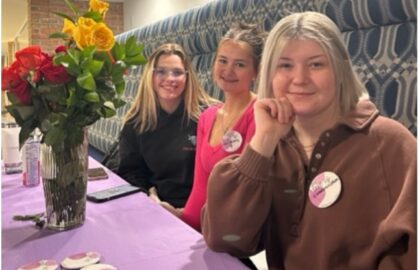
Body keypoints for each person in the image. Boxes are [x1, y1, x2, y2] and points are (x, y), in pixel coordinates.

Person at [201, 11, 416, 270]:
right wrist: (263, 141)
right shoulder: (271, 148)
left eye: (316, 64)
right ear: (269, 74)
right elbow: (226, 239)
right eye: (285, 65)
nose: (300, 79)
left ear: (340, 69)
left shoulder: (390, 144)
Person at [178, 22, 266, 233]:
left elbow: (244, 192)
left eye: (240, 64)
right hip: (204, 228)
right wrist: (184, 224)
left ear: (255, 71)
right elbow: (201, 186)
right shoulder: (207, 117)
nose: (228, 70)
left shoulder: (260, 114)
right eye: (223, 60)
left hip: (235, 232)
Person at [117, 43, 216, 208]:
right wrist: (147, 198)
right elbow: (131, 173)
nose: (170, 78)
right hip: (157, 208)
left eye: (177, 72)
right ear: (151, 76)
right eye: (161, 72)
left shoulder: (207, 116)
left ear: (187, 77)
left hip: (202, 209)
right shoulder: (136, 123)